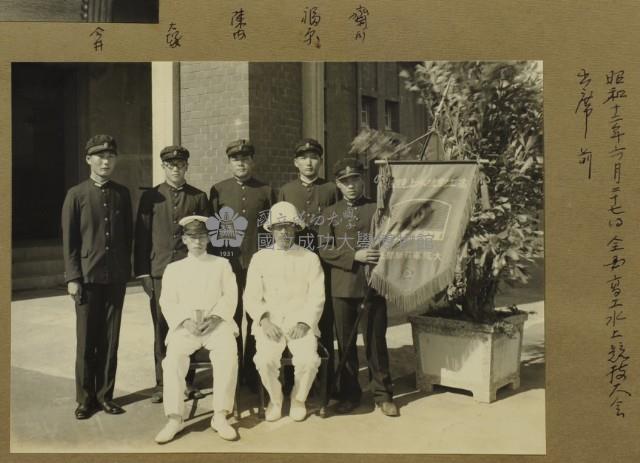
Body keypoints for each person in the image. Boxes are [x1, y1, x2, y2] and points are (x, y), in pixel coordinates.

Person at [318, 158, 399, 417]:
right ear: (338, 185)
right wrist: (355, 256)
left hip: (372, 285)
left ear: (362, 180)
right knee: (346, 344)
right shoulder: (329, 213)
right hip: (342, 288)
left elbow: (392, 242)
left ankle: (383, 395)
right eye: (344, 181)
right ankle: (350, 394)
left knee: (376, 343)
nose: (350, 185)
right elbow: (324, 249)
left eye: (354, 179)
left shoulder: (378, 209)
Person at [61, 134, 132, 420]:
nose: (106, 161)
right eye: (100, 156)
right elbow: (70, 242)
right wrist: (73, 277)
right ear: (88, 159)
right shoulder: (76, 194)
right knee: (86, 340)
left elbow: (126, 235)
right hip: (87, 279)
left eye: (110, 156)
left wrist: (125, 270)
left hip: (115, 278)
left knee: (110, 339)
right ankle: (84, 399)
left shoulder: (122, 193)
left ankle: (105, 396)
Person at [134, 145, 209, 404]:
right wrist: (143, 273)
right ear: (163, 167)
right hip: (159, 271)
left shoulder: (198, 197)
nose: (175, 168)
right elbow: (141, 236)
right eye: (170, 165)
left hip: (190, 270)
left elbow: (204, 236)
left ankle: (187, 382)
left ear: (187, 167)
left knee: (189, 327)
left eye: (180, 164)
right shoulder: (151, 197)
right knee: (162, 327)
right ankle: (163, 383)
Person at [154, 216, 239, 444]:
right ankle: (174, 417)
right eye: (192, 237)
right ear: (184, 240)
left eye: (202, 236)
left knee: (228, 356)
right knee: (172, 360)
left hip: (216, 325)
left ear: (209, 238)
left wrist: (215, 318)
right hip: (186, 326)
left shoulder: (221, 264)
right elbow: (167, 301)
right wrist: (185, 321)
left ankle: (220, 415)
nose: (198, 242)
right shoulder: (174, 268)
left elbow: (230, 296)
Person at [243, 202, 325, 422]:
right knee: (264, 359)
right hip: (271, 325)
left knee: (308, 360)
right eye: (279, 227)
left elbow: (317, 297)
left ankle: (298, 400)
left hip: (301, 324)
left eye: (289, 227)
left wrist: (305, 322)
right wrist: (264, 320)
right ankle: (275, 399)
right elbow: (251, 297)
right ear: (271, 230)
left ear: (296, 229)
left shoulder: (310, 258)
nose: (284, 232)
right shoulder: (260, 258)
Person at [209, 139, 275, 391]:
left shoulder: (266, 190)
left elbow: (268, 230)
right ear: (229, 162)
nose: (241, 163)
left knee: (257, 316)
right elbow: (213, 230)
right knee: (230, 317)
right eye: (236, 159)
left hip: (257, 265)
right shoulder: (218, 190)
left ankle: (253, 371)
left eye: (246, 159)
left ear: (252, 162)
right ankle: (233, 369)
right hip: (229, 265)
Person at [277, 138, 338, 397]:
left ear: (320, 161)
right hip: (295, 262)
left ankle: (326, 378)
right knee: (293, 315)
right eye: (303, 158)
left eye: (314, 157)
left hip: (327, 261)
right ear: (296, 162)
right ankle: (291, 379)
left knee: (323, 317)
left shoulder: (331, 189)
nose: (309, 162)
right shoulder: (286, 190)